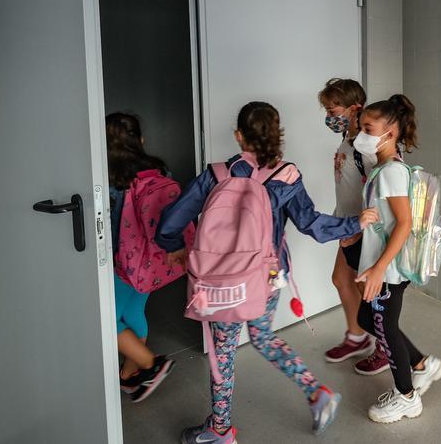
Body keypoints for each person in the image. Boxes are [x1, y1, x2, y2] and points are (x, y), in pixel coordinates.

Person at [158, 101, 369, 442]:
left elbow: (171, 220)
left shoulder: (214, 175)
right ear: (277, 136)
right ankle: (317, 393)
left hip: (221, 281)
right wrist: (353, 223)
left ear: (238, 135)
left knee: (223, 353)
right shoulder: (287, 176)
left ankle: (219, 430)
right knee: (263, 336)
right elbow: (312, 224)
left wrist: (174, 246)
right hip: (268, 279)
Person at [354, 95, 441, 424]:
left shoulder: (392, 172)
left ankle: (407, 397)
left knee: (384, 325)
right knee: (368, 320)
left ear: (390, 133)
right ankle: (422, 363)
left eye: (368, 128)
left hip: (388, 270)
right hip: (380, 265)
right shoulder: (383, 168)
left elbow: (404, 224)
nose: (360, 134)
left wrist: (379, 269)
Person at [105, 112, 177, 403]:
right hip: (151, 261)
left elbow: (108, 225)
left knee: (107, 319)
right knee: (133, 313)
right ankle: (128, 376)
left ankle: (150, 364)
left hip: (121, 261)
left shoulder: (111, 179)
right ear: (141, 140)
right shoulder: (159, 171)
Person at [317, 78, 387, 375]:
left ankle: (386, 348)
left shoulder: (369, 145)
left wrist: (364, 227)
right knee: (341, 279)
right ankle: (357, 337)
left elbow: (384, 188)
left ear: (354, 108)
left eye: (333, 109)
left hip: (364, 229)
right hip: (346, 224)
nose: (329, 116)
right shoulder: (349, 138)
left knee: (371, 292)